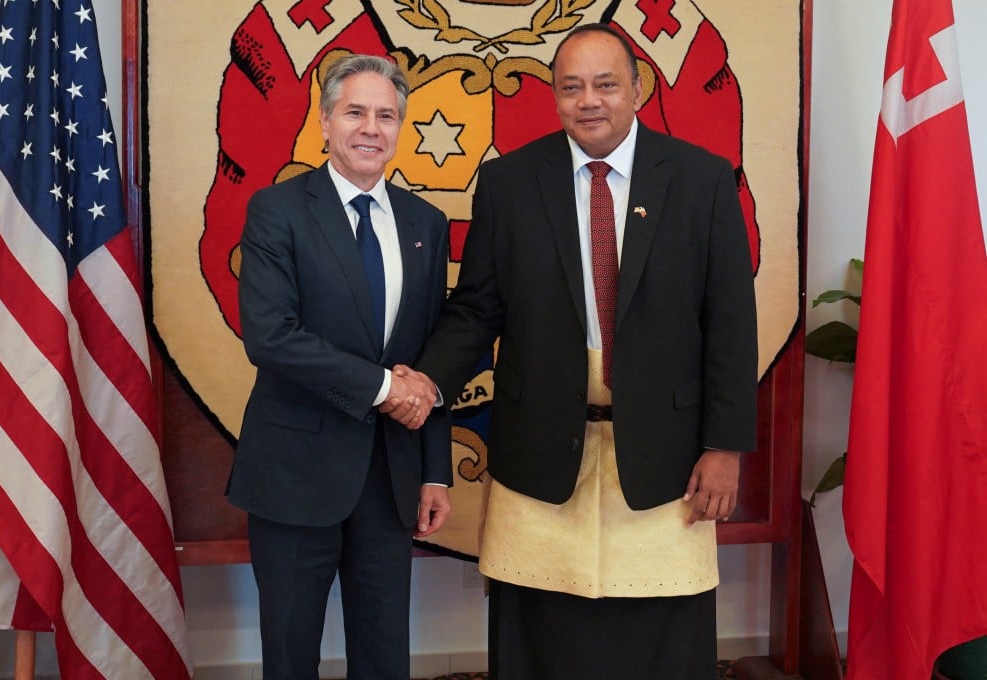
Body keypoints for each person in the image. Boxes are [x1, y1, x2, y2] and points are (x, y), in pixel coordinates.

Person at [385, 23, 758, 678]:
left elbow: (729, 322)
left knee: (661, 640)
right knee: (543, 639)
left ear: (637, 90)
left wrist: (724, 448)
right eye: (571, 87)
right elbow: (476, 309)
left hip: (666, 458)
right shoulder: (509, 182)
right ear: (555, 97)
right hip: (541, 454)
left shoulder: (701, 181)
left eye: (606, 84)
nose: (589, 100)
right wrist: (425, 382)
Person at [226, 54, 453, 680]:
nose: (370, 128)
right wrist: (383, 388)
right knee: (291, 654)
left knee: (384, 655)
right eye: (355, 112)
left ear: (400, 128)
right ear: (325, 121)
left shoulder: (426, 225)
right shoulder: (278, 210)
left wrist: (436, 470)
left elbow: (429, 355)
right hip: (295, 473)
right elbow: (270, 337)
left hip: (390, 477)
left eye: (386, 115)